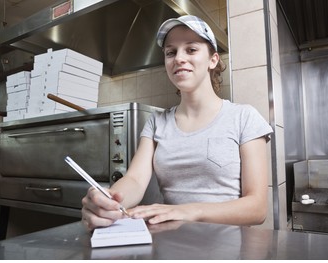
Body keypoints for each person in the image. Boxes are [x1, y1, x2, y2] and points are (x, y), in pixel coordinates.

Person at [81, 15, 273, 231]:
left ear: (213, 60)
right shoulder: (156, 123)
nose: (179, 58)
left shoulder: (244, 117)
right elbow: (134, 179)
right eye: (171, 52)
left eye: (191, 49)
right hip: (169, 249)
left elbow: (257, 208)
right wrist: (110, 200)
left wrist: (186, 211)